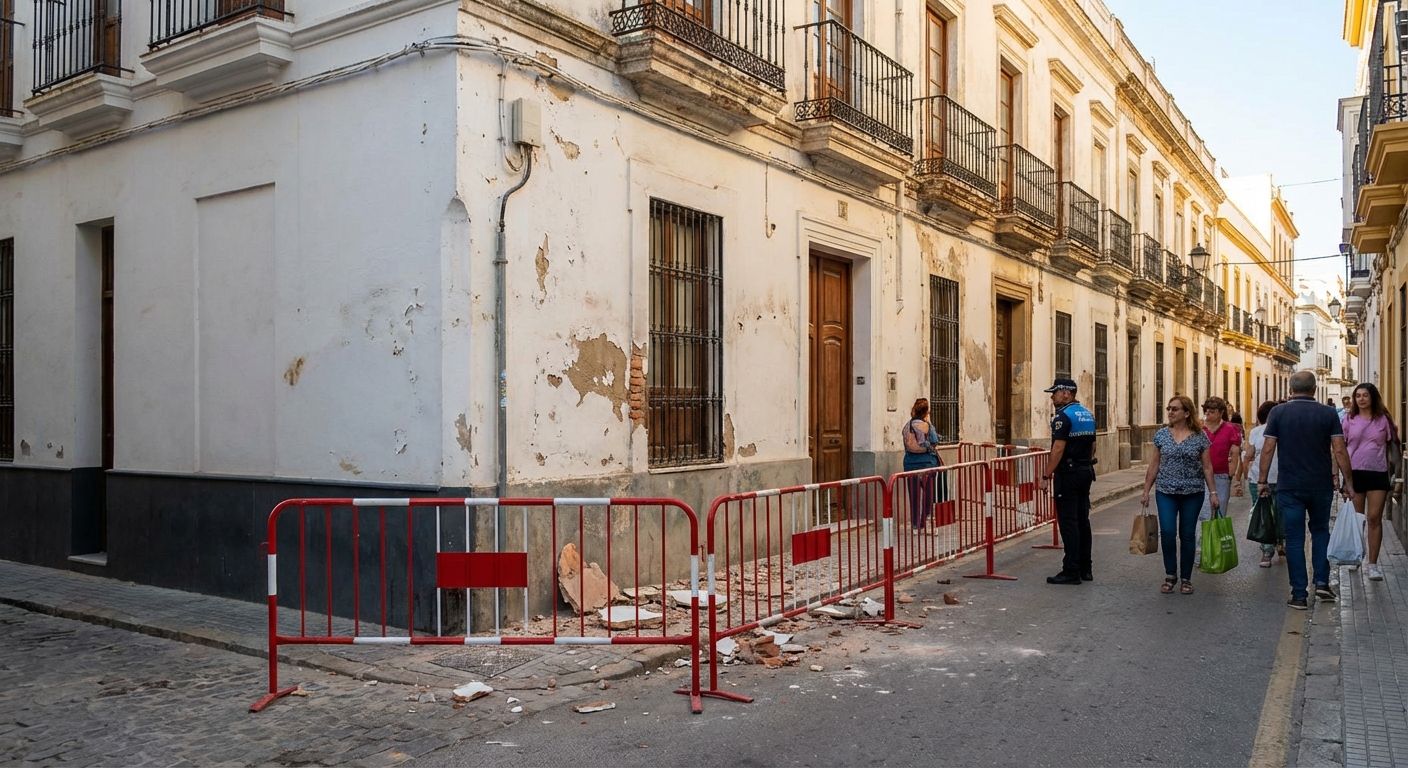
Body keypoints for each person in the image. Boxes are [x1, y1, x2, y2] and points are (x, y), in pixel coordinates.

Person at [1259, 371, 1356, 610]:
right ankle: (1322, 582)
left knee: (1294, 538)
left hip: (1290, 485)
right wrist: (1348, 482)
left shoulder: (1278, 413)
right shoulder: (1328, 413)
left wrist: (1262, 480)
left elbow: (1268, 447)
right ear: (1314, 389)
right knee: (1321, 531)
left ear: (1291, 388)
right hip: (1320, 484)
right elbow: (1340, 449)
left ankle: (1299, 594)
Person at [1141, 395, 1220, 595]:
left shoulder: (1199, 436)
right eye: (1169, 408)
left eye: (1175, 409)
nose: (1170, 412)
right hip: (1165, 491)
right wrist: (1146, 490)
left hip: (1192, 491)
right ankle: (1170, 574)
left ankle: (1186, 578)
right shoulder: (1161, 435)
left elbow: (1207, 467)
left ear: (1186, 413)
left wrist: (1213, 493)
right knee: (1167, 532)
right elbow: (1154, 464)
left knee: (1187, 534)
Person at [1036, 377, 1098, 585]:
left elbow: (1058, 448)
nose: (1052, 397)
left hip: (1069, 474)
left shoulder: (1063, 417)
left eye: (1054, 393)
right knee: (1083, 521)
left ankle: (1071, 570)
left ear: (1066, 393)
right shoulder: (1087, 414)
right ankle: (1085, 568)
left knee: (1068, 523)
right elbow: (1093, 446)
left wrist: (1046, 475)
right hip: (1085, 471)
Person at [1342, 383, 1396, 581]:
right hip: (1354, 472)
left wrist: (1395, 471)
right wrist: (1340, 476)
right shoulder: (1349, 419)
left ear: (1373, 397)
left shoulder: (1384, 420)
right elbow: (1340, 446)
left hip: (1378, 472)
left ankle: (1372, 564)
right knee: (1358, 519)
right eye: (1358, 396)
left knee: (1374, 518)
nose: (1361, 399)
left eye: (1365, 395)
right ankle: (1356, 557)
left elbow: (1393, 445)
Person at [1195, 397, 1242, 563]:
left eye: (1212, 411)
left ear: (1221, 412)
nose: (1208, 413)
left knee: (1218, 511)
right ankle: (1200, 550)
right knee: (1203, 513)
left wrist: (1232, 475)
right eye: (1206, 410)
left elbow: (1235, 452)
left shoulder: (1231, 429)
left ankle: (1214, 548)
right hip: (1200, 476)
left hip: (1221, 476)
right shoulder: (1198, 429)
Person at [1241, 400, 1285, 567]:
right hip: (1260, 479)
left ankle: (1281, 542)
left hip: (1278, 478)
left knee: (1279, 514)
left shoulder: (1281, 430)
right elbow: (1249, 453)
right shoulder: (1257, 431)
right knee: (1265, 515)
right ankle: (1267, 549)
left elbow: (1250, 454)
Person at [901, 398, 942, 527]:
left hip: (910, 464)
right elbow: (935, 441)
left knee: (913, 495)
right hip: (927, 464)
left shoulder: (907, 425)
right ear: (925, 412)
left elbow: (905, 440)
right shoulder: (928, 426)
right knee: (928, 495)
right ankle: (925, 521)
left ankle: (914, 524)